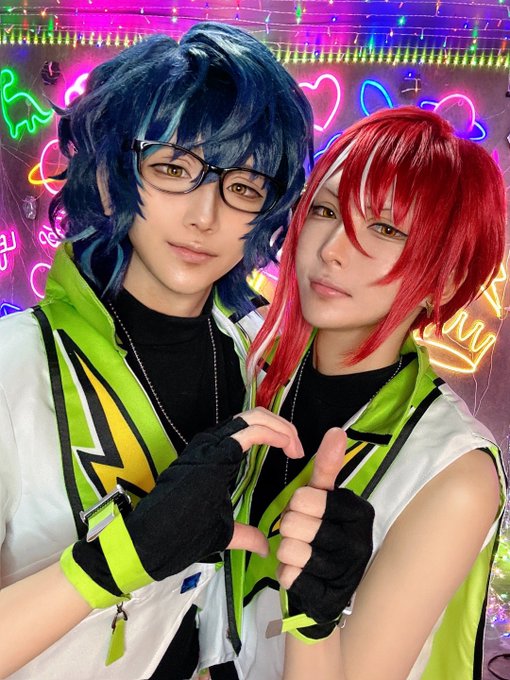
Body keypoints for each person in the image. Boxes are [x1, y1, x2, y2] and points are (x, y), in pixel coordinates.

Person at [0, 23, 313, 679]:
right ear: (109, 176)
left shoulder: (259, 364)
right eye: (173, 169)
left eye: (244, 186)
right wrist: (119, 560)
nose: (205, 216)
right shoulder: (13, 367)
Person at [201, 106, 508, 680]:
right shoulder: (250, 371)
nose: (332, 249)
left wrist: (314, 621)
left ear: (444, 279)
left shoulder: (452, 471)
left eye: (386, 229)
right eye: (325, 210)